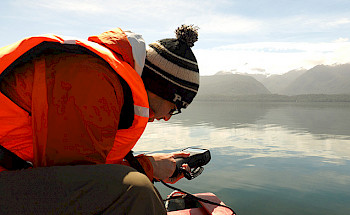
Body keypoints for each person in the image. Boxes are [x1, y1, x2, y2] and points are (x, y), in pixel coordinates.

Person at [0, 24, 200, 214]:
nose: (166, 118)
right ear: (162, 89)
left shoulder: (104, 77)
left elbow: (85, 174)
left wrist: (148, 166)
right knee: (136, 191)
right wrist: (148, 167)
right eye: (174, 109)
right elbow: (76, 178)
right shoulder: (93, 80)